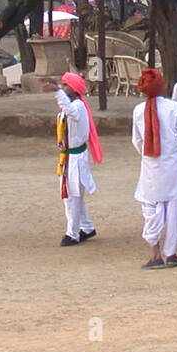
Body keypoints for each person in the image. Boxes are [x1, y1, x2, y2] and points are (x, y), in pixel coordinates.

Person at [132, 68, 177, 269]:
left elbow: (137, 141)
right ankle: (172, 253)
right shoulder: (173, 107)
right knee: (174, 207)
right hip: (172, 165)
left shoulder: (138, 110)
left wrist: (149, 153)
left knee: (152, 207)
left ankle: (156, 254)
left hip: (151, 166)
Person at [56, 71, 102, 245]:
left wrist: (57, 92)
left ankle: (72, 233)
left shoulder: (78, 107)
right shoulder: (71, 105)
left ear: (74, 89)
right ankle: (87, 227)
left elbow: (71, 113)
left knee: (73, 196)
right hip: (68, 156)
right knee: (72, 195)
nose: (63, 87)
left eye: (65, 85)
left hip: (75, 157)